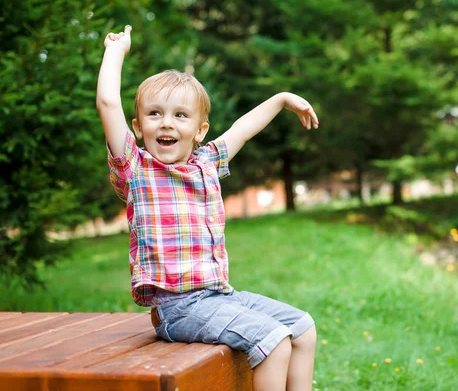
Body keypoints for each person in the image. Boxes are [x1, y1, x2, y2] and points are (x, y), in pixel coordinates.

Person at [97, 25, 318, 391]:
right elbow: (107, 103)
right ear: (137, 127)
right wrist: (116, 52)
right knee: (273, 341)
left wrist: (281, 99)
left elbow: (243, 129)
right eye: (155, 114)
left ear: (200, 130)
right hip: (178, 308)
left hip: (218, 296)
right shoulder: (136, 168)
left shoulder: (207, 163)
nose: (166, 122)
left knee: (302, 327)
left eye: (180, 116)